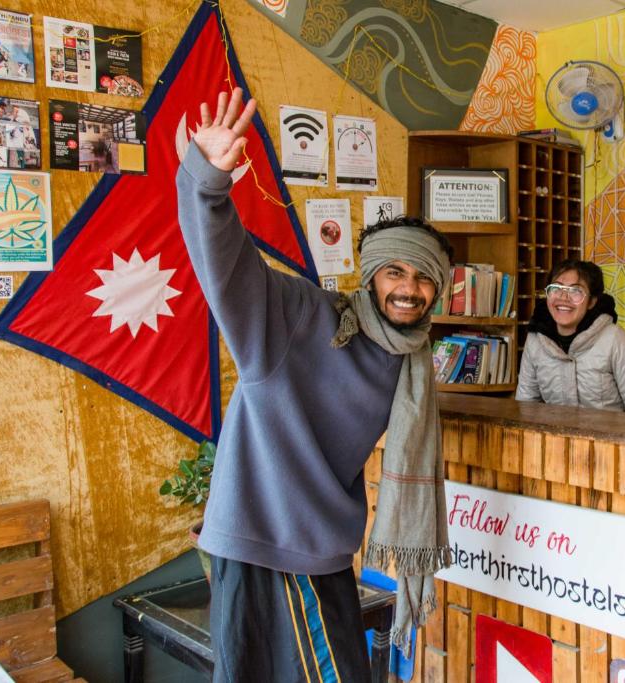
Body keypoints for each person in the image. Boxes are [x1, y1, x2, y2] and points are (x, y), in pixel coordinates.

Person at [176, 88, 453, 682]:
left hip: (319, 553)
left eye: (425, 277)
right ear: (370, 277)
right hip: (267, 547)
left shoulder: (413, 363)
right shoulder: (303, 317)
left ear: (442, 290)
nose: (410, 288)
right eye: (395, 271)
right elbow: (227, 268)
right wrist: (208, 181)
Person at [516, 259, 625, 414]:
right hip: (555, 438)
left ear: (592, 301)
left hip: (607, 438)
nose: (563, 297)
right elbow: (526, 407)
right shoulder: (535, 339)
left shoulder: (613, 338)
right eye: (556, 288)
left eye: (576, 291)